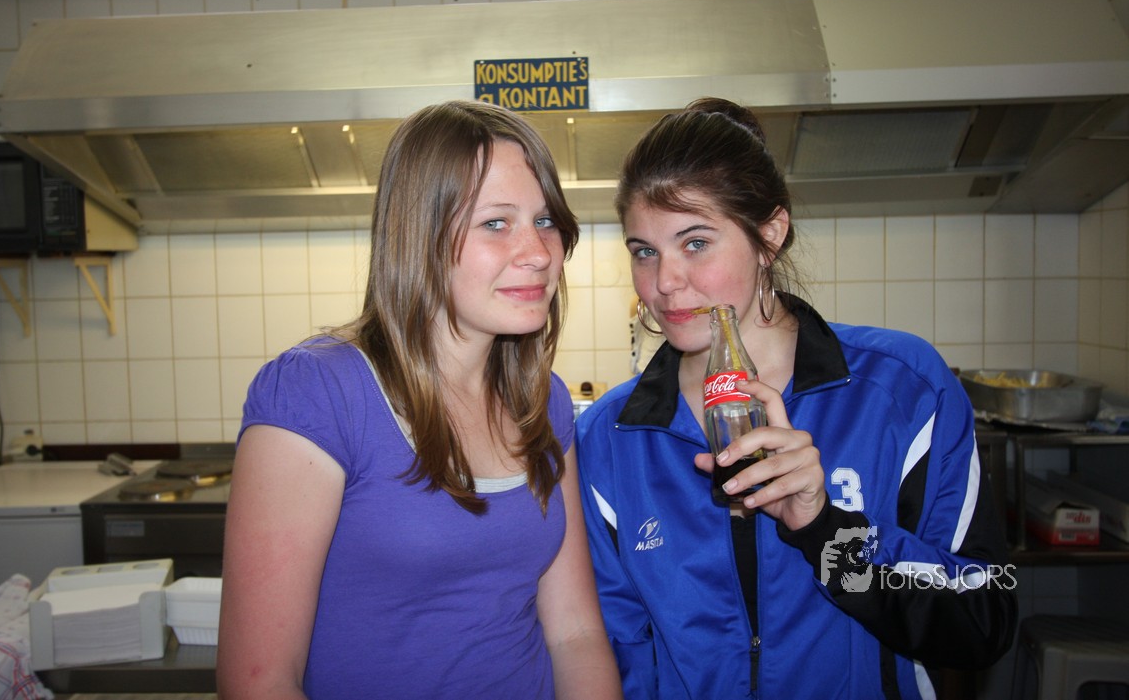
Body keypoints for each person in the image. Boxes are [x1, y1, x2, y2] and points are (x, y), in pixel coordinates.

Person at [575, 97, 1017, 699]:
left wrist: (824, 529)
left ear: (769, 234)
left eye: (695, 243)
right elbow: (616, 653)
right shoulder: (611, 437)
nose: (664, 282)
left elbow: (983, 619)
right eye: (644, 251)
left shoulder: (902, 391)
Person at [217, 100, 623, 700]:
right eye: (496, 223)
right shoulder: (318, 395)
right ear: (419, 236)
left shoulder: (543, 402)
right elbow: (259, 681)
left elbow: (575, 634)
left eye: (545, 221)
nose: (540, 253)